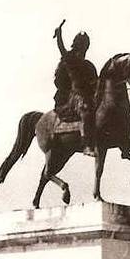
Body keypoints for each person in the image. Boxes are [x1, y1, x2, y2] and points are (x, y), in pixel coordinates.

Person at [52, 19, 106, 160]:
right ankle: (87, 145)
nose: (84, 48)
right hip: (74, 96)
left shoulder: (89, 65)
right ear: (77, 45)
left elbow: (95, 82)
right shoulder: (69, 58)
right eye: (82, 45)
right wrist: (59, 34)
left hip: (87, 95)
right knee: (86, 108)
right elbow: (61, 48)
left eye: (86, 46)